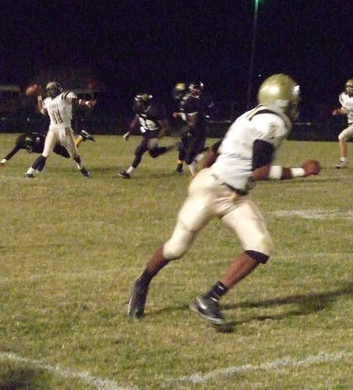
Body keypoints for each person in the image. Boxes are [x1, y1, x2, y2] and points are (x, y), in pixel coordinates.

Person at [126, 74, 321, 329]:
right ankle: (143, 281)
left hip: (234, 196)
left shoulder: (249, 116)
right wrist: (302, 171)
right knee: (176, 248)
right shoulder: (273, 122)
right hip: (213, 189)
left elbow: (216, 149)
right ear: (284, 102)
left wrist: (201, 172)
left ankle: (210, 299)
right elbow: (259, 171)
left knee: (260, 246)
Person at [24, 82, 94, 178]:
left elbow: (75, 100)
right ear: (49, 91)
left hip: (66, 130)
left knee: (74, 154)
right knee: (46, 153)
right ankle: (29, 172)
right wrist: (39, 96)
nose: (54, 91)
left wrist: (86, 103)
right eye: (52, 89)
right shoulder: (47, 101)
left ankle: (81, 167)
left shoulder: (64, 96)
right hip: (53, 130)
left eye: (54, 88)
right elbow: (42, 110)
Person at [119, 93, 174, 178]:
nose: (136, 104)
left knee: (139, 151)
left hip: (154, 133)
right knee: (153, 154)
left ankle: (128, 173)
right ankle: (173, 147)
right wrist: (129, 132)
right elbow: (136, 119)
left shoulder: (154, 111)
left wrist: (156, 139)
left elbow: (165, 128)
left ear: (144, 103)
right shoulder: (140, 110)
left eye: (138, 102)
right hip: (148, 133)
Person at [175, 81, 212, 176]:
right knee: (187, 153)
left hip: (197, 131)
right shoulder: (189, 101)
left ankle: (210, 151)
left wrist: (187, 130)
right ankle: (192, 173)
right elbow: (189, 116)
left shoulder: (192, 101)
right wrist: (180, 115)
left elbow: (193, 121)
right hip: (194, 129)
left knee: (189, 158)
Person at [0, 130, 89, 166]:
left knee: (69, 154)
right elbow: (13, 152)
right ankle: (81, 137)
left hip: (53, 141)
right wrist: (3, 161)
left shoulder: (40, 141)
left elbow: (44, 155)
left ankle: (81, 137)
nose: (31, 149)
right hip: (48, 139)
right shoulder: (20, 142)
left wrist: (38, 168)